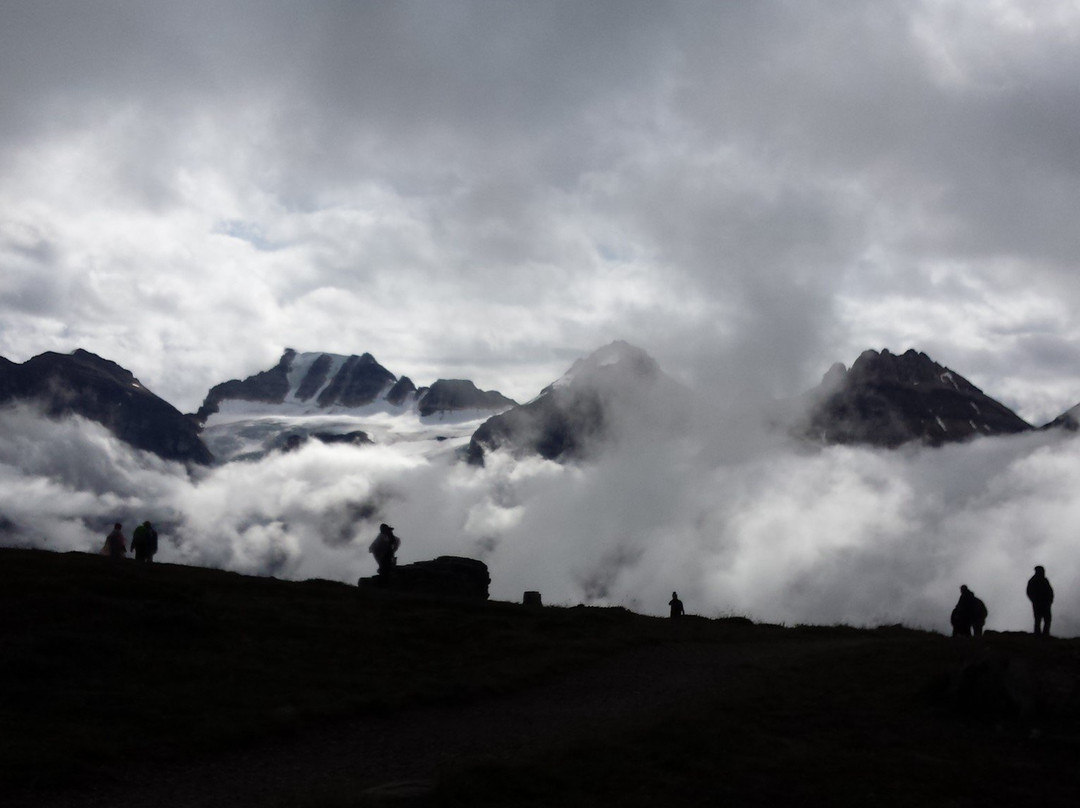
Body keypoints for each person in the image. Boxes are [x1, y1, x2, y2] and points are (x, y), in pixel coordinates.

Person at [1026, 565, 1054, 637]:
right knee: (1038, 620)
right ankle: (1038, 635)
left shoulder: (1044, 580)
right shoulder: (1034, 581)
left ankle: (1044, 635)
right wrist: (1034, 600)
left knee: (1046, 619)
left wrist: (1050, 600)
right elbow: (1029, 592)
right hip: (1039, 604)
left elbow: (1050, 591)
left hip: (1045, 603)